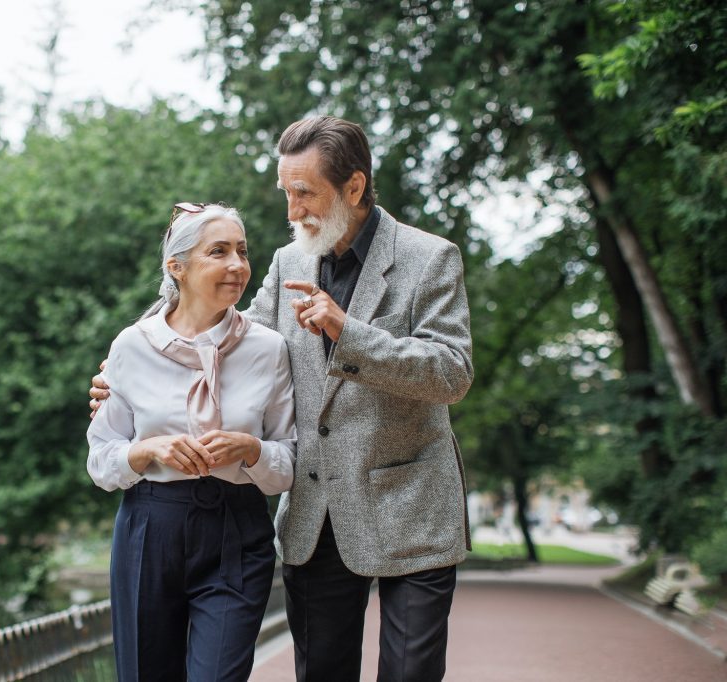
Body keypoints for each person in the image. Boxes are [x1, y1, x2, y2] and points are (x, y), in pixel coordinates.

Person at [92, 116, 473, 682]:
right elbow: (227, 339)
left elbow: (452, 373)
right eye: (286, 192)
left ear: (354, 187)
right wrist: (134, 365)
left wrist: (350, 332)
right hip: (315, 514)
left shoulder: (430, 259)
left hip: (410, 507)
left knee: (411, 673)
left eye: (305, 193)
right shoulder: (290, 261)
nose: (292, 211)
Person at [86, 203, 296, 682]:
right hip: (149, 528)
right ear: (175, 267)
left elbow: (289, 463)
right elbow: (101, 460)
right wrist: (148, 451)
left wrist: (251, 449)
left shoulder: (269, 348)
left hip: (237, 531)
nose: (237, 265)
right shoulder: (130, 347)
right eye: (218, 252)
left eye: (242, 251)